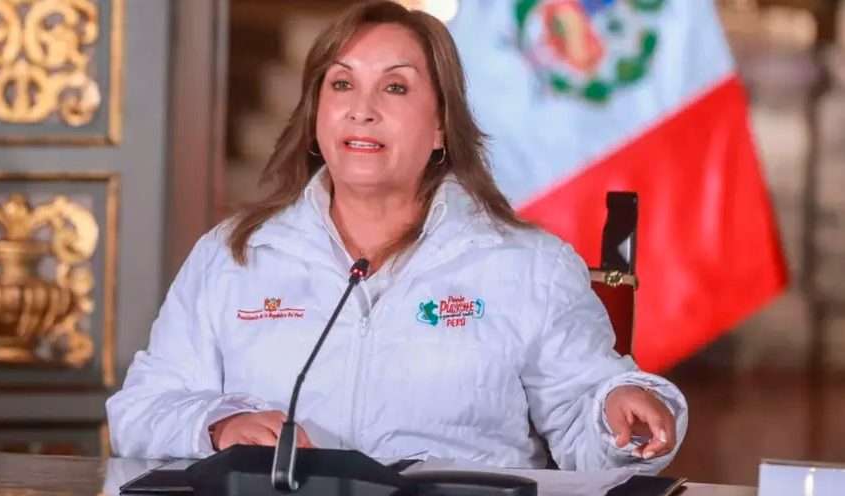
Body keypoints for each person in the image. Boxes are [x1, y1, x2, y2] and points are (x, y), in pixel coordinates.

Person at [107, 1, 687, 472]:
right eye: (341, 84)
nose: (361, 110)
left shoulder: (528, 264)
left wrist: (617, 413)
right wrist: (219, 427)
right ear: (315, 118)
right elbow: (141, 410)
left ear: (441, 127)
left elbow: (587, 410)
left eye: (396, 88)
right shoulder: (232, 254)